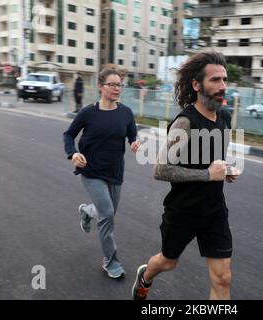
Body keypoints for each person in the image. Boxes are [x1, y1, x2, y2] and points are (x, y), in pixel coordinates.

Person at [132, 52, 239, 300]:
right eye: (215, 80)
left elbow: (214, 159)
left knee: (223, 278)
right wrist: (208, 175)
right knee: (168, 262)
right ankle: (145, 276)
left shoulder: (224, 117)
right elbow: (161, 170)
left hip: (214, 211)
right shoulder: (185, 123)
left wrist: (227, 170)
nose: (222, 86)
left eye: (224, 79)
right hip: (183, 211)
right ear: (196, 84)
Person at [63, 66, 141, 279]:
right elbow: (69, 135)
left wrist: (135, 143)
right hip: (91, 171)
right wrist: (73, 154)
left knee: (107, 212)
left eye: (119, 85)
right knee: (107, 214)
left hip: (115, 172)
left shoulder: (125, 112)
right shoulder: (88, 113)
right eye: (112, 84)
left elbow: (132, 134)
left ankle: (87, 211)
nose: (117, 88)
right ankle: (111, 261)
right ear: (101, 87)